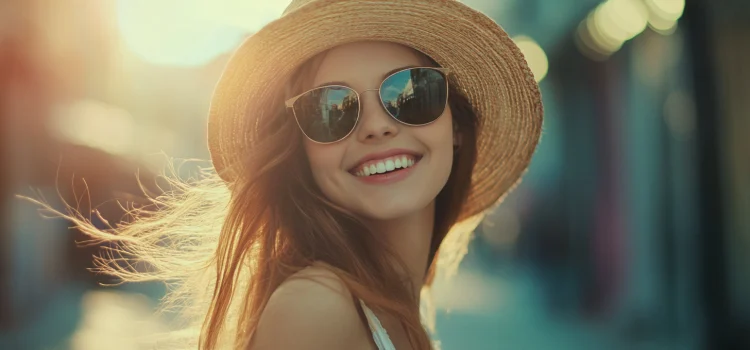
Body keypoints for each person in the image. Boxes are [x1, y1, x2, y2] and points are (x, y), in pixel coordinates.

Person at [34, 0, 543, 349]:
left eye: (412, 92)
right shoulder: (316, 308)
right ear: (301, 151)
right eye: (333, 108)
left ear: (457, 124)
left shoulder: (395, 305)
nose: (376, 128)